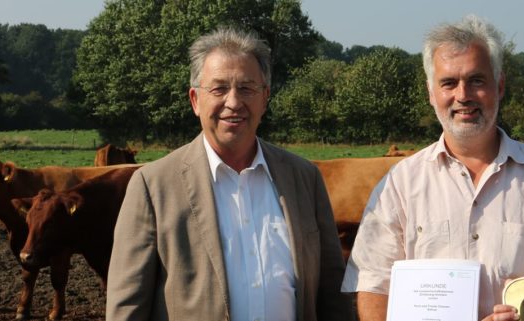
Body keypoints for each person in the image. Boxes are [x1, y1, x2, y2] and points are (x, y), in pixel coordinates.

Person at [340, 15, 524, 321]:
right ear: (431, 93)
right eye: (448, 83)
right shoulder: (401, 184)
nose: (463, 95)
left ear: (500, 86)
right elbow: (374, 286)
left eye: (476, 80)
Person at [106, 27, 350, 321]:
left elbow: (331, 293)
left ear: (265, 98)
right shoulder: (153, 186)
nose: (233, 102)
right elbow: (127, 308)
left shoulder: (304, 178)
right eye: (219, 88)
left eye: (247, 88)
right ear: (196, 100)